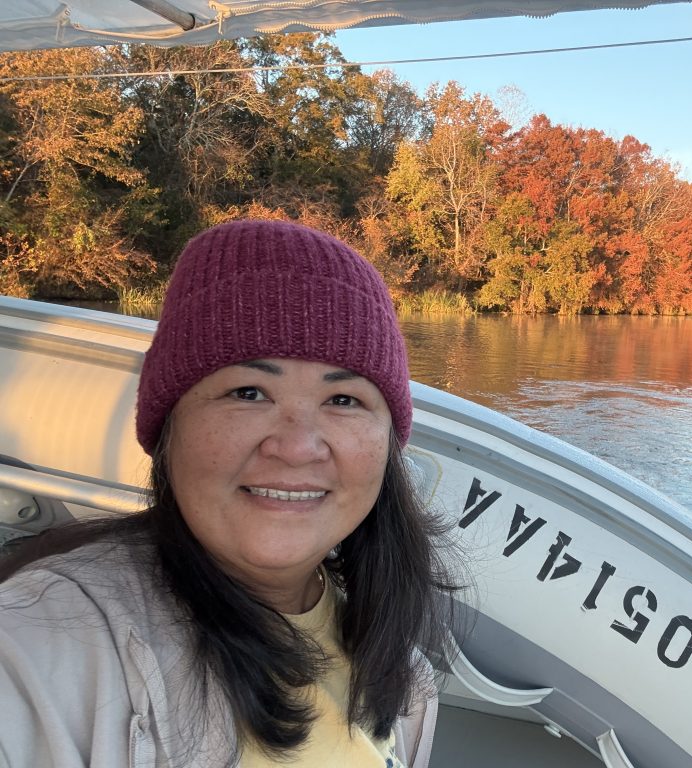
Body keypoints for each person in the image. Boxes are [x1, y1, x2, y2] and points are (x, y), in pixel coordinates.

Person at [0, 219, 458, 768]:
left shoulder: (401, 668)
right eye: (248, 392)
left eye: (343, 400)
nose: (297, 447)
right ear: (168, 428)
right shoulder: (34, 647)